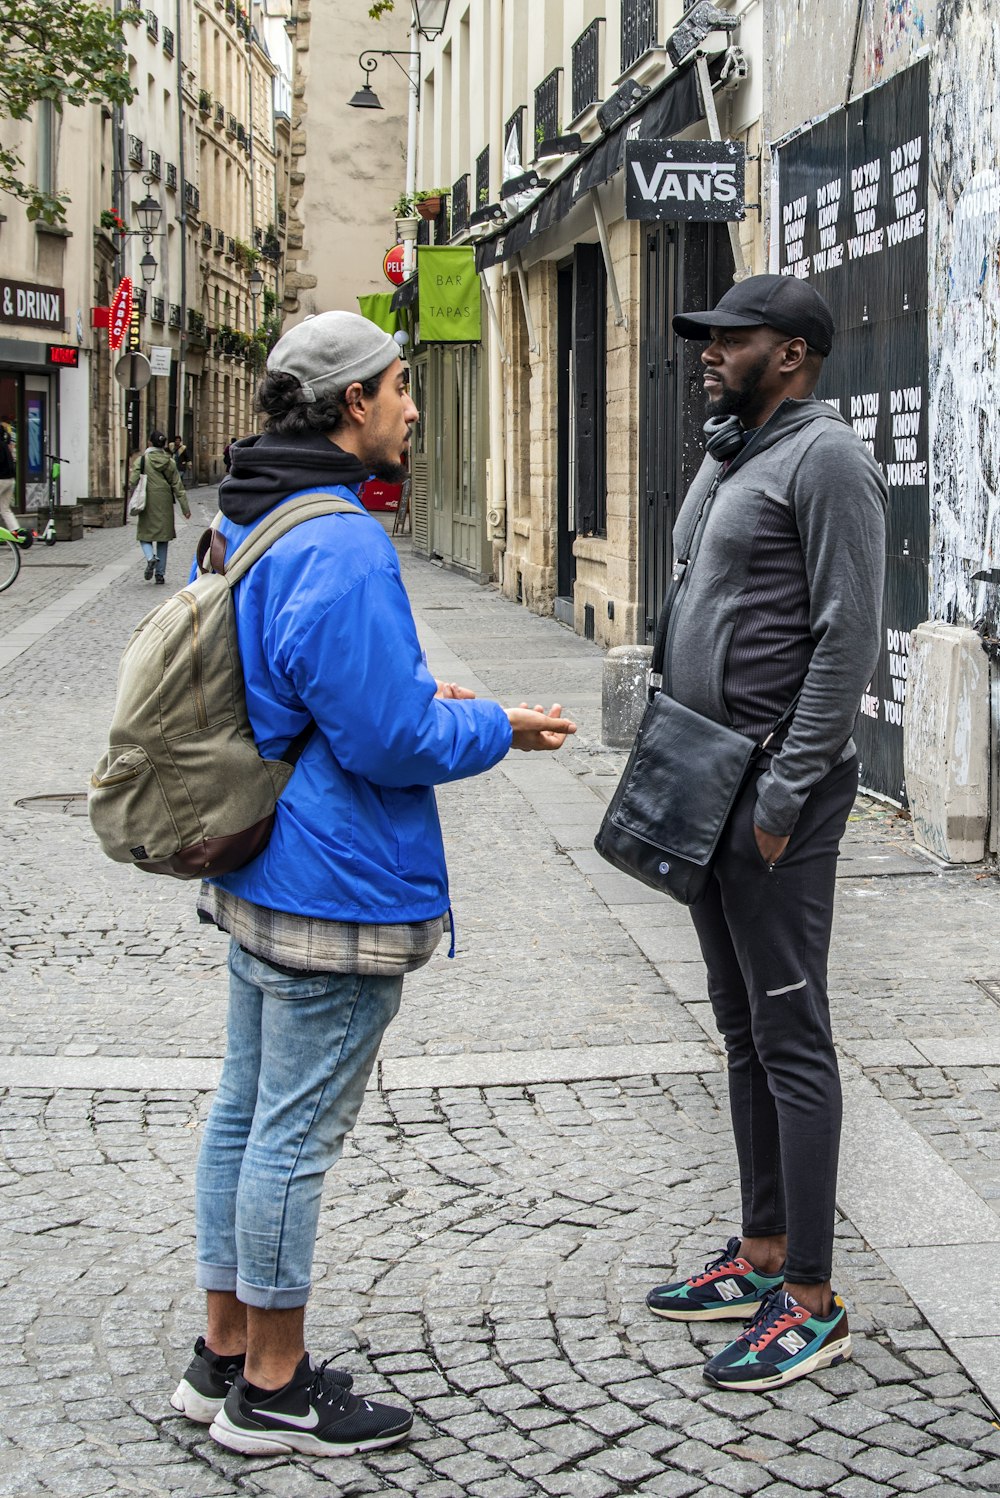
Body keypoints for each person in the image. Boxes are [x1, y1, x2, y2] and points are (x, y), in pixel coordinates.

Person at [169, 311, 576, 1459]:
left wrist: (426, 696)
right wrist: (497, 723)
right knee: (293, 1135)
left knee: (245, 1113)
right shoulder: (340, 538)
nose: (410, 406)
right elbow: (387, 738)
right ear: (352, 401)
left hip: (259, 861)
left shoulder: (254, 506)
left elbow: (310, 687)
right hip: (328, 885)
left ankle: (221, 1353)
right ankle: (277, 1388)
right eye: (400, 387)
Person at [644, 276, 886, 1391]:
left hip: (774, 795)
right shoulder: (735, 449)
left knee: (791, 1039)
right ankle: (760, 1252)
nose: (705, 351)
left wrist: (785, 796)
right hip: (700, 775)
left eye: (726, 338)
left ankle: (812, 1299)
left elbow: (845, 639)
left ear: (788, 352)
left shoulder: (827, 460)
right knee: (740, 1029)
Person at [129, 429, 190, 584]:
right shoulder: (170, 462)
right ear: (164, 444)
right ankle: (160, 575)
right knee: (163, 539)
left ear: (150, 442)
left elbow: (133, 480)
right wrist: (185, 508)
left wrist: (129, 492)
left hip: (148, 501)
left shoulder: (142, 460)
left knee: (144, 535)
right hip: (165, 502)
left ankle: (150, 557)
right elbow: (178, 485)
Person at [0, 422, 18, 533]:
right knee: (5, 509)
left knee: (5, 508)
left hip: (1, 480)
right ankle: (15, 531)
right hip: (10, 480)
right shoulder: (4, 445)